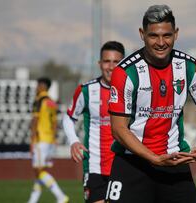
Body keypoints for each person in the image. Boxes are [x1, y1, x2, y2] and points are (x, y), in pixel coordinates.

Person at [107, 4, 196, 203]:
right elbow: (118, 129)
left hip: (174, 161)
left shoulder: (188, 67)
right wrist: (153, 158)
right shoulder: (125, 72)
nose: (161, 42)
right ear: (142, 34)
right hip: (132, 163)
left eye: (167, 35)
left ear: (176, 34)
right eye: (154, 36)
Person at [63, 41, 125, 203]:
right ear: (99, 64)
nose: (111, 67)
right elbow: (69, 117)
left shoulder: (132, 90)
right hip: (94, 166)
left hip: (124, 166)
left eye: (116, 62)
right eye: (106, 61)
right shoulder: (86, 90)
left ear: (124, 63)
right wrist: (74, 141)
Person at [28, 77, 69, 203]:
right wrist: (54, 138)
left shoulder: (39, 100)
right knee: (40, 171)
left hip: (41, 139)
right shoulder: (52, 102)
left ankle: (60, 196)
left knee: (38, 170)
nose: (36, 88)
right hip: (50, 139)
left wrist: (32, 139)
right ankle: (32, 200)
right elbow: (55, 122)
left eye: (38, 85)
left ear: (42, 86)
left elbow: (35, 120)